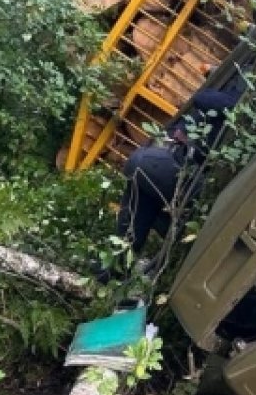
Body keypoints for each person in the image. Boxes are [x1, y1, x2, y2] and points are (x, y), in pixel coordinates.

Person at [103, 84, 240, 279]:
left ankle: (120, 264)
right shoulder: (244, 89)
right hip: (186, 166)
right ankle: (117, 265)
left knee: (141, 166)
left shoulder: (246, 102)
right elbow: (205, 99)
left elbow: (204, 99)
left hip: (203, 182)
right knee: (143, 182)